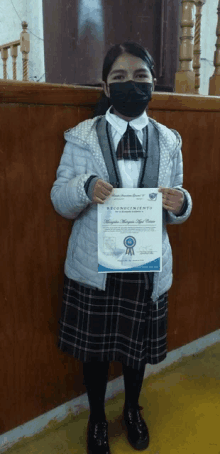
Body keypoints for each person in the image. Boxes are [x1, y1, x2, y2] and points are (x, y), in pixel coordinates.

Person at [50, 40, 192, 454]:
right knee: (94, 354)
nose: (132, 85)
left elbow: (179, 194)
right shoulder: (80, 138)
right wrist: (84, 187)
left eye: (141, 77)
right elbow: (60, 198)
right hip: (96, 267)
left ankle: (132, 409)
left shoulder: (169, 141)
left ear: (153, 83)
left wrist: (182, 202)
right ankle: (97, 417)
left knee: (136, 352)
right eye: (120, 78)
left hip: (148, 266)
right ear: (106, 87)